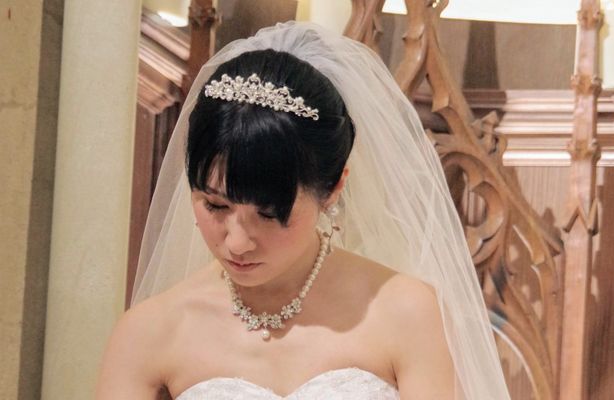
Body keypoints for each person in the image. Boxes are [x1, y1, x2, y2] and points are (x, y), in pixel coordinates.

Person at [96, 21, 510, 399]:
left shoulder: (407, 311)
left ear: (333, 189)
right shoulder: (149, 332)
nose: (237, 242)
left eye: (269, 214)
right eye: (216, 205)